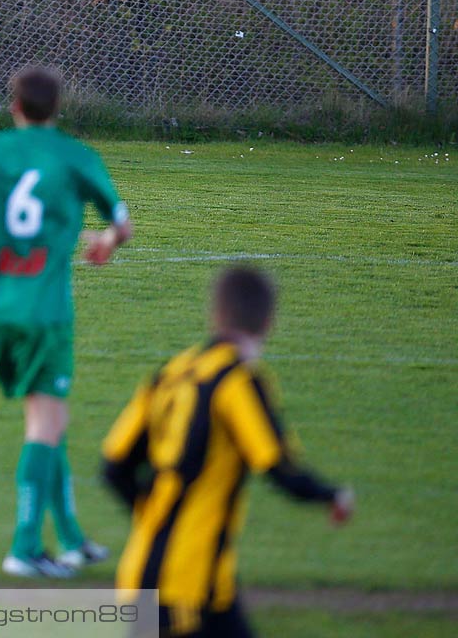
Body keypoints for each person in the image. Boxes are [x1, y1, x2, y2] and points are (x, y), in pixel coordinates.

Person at [0, 64, 132, 578]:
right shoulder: (75, 156)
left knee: (49, 417)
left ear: (13, 106)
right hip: (45, 312)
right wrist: (105, 244)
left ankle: (70, 539)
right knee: (45, 422)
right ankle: (23, 548)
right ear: (56, 109)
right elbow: (122, 224)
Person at [102, 266, 354, 638]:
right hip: (183, 586)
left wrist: (156, 517)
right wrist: (332, 495)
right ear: (269, 322)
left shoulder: (170, 374)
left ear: (215, 314)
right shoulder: (238, 381)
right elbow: (278, 466)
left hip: (163, 575)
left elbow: (113, 467)